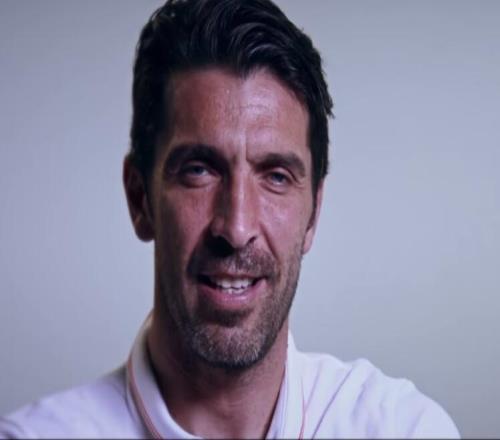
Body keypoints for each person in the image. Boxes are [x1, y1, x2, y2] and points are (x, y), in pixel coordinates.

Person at [0, 0, 460, 438]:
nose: (237, 228)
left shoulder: (402, 429)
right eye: (199, 170)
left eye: (276, 177)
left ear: (313, 214)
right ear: (140, 199)